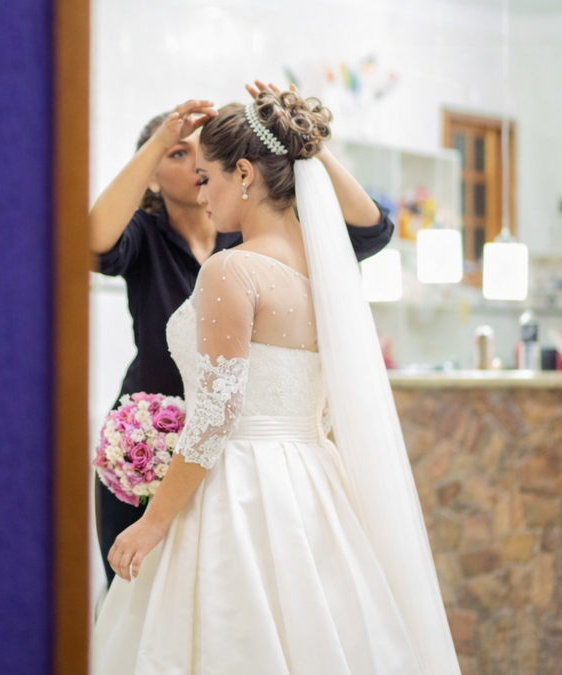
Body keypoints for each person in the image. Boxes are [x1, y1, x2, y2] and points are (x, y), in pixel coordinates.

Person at [91, 87, 460, 673]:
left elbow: (216, 416)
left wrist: (153, 523)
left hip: (236, 483)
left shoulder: (232, 268)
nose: (202, 193)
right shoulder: (324, 266)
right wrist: (305, 141)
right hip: (313, 478)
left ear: (243, 173)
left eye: (207, 177)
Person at [90, 88, 396, 584]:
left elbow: (372, 230)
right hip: (153, 438)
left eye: (206, 169)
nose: (198, 179)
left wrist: (303, 141)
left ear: (244, 173)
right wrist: (158, 140)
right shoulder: (146, 235)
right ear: (152, 175)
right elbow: (92, 244)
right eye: (178, 155)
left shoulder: (245, 248)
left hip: (233, 459)